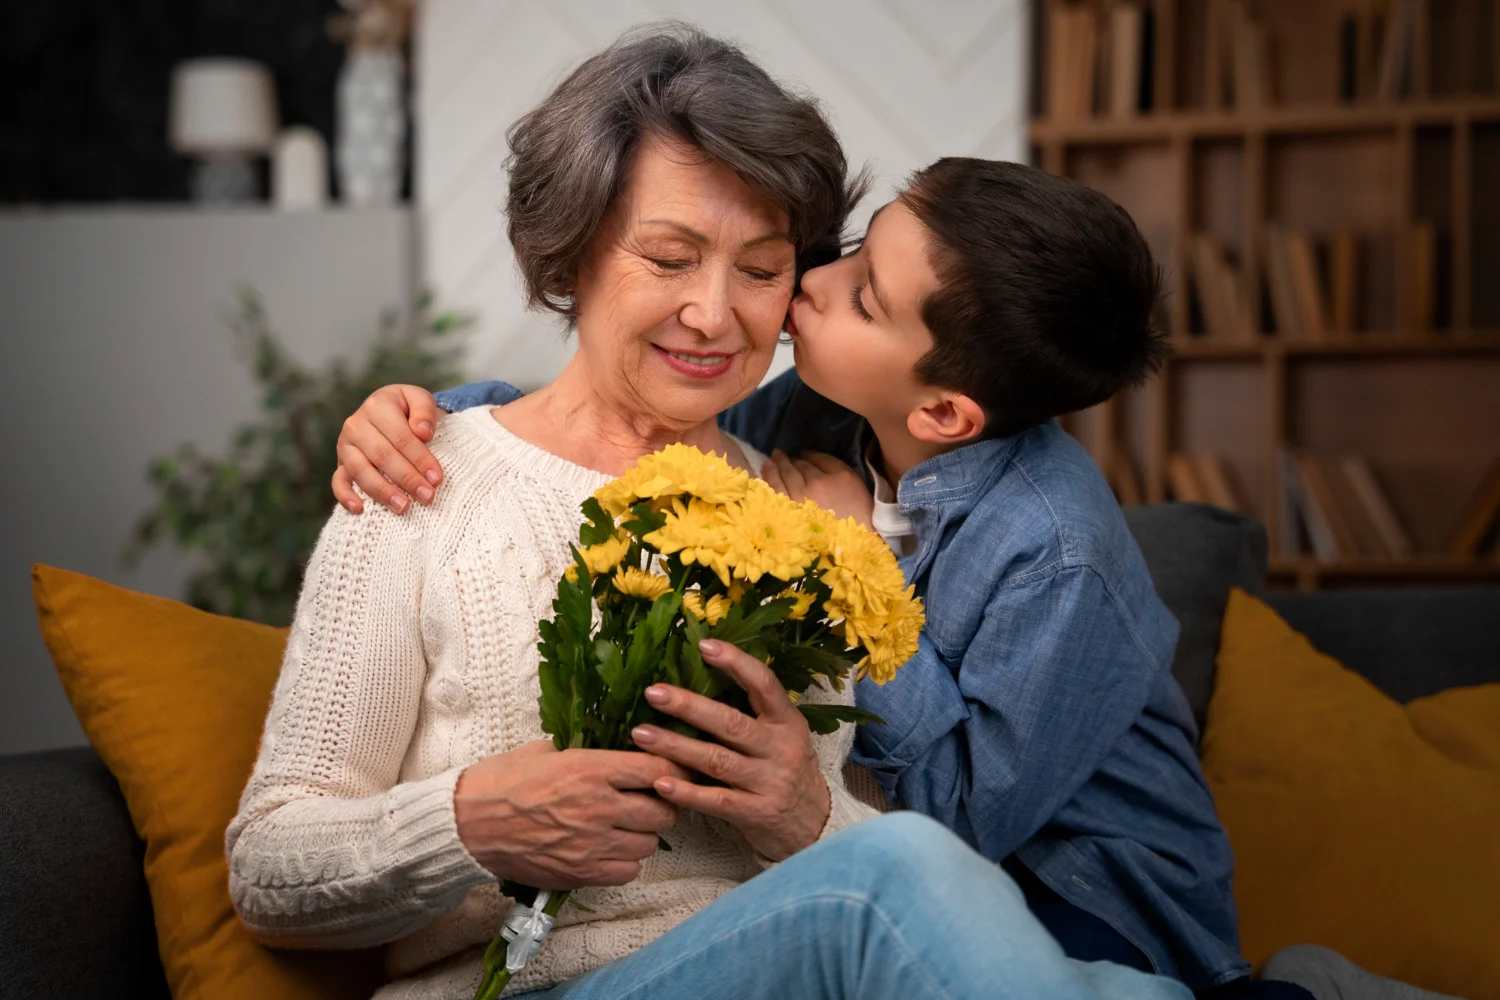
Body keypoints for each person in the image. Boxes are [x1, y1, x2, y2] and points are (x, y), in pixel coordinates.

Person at [227, 24, 1191, 1000]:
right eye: (670, 256)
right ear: (575, 252)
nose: (718, 315)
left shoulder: (813, 508)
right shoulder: (416, 478)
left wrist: (807, 814)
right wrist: (472, 818)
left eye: (765, 268)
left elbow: (910, 851)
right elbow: (267, 869)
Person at [336, 158, 1313, 999]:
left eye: (864, 298)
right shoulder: (817, 413)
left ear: (944, 415)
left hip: (1085, 897)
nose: (813, 279)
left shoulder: (1060, 558)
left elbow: (960, 822)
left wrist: (851, 556)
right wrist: (434, 419)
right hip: (903, 881)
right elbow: (614, 431)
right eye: (859, 248)